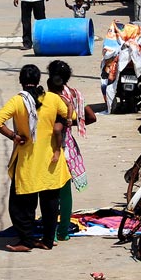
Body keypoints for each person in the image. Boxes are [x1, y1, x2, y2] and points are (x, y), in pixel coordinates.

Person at [0, 65, 70, 251]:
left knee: (20, 206)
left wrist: (14, 136)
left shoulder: (18, 101)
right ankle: (47, 241)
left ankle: (26, 241)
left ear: (21, 80)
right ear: (38, 79)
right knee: (50, 204)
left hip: (27, 161)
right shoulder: (51, 98)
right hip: (51, 159)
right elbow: (70, 115)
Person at [47, 60, 96, 240]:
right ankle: (63, 231)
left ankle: (50, 233)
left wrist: (61, 124)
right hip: (69, 146)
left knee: (50, 192)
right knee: (65, 191)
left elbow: (55, 127)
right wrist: (72, 122)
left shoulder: (50, 98)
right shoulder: (74, 95)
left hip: (52, 148)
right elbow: (91, 117)